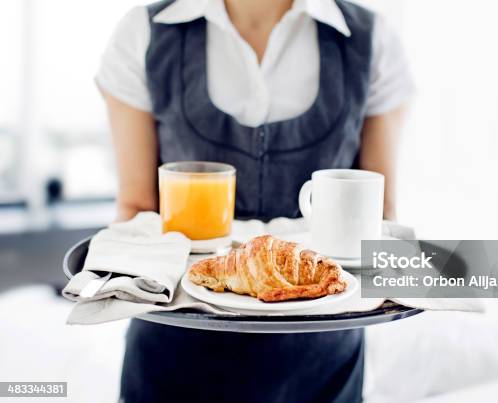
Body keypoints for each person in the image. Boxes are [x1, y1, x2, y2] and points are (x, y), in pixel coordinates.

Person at [97, 0, 413, 401]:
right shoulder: (144, 31)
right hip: (174, 357)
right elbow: (136, 211)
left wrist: (460, 275)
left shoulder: (371, 39)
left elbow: (380, 217)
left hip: (324, 363)